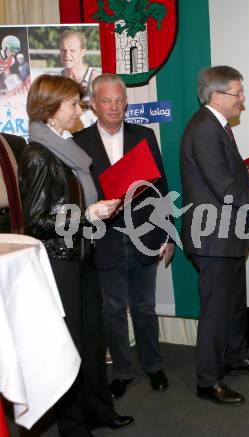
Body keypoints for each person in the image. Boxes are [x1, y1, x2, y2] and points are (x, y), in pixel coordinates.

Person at [18, 74, 134, 436]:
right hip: (60, 262)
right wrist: (87, 214)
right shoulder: (38, 154)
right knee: (71, 348)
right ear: (51, 110)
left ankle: (100, 410)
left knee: (93, 339)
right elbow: (37, 220)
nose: (79, 109)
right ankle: (73, 427)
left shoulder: (64, 145)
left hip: (82, 254)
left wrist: (96, 210)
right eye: (73, 104)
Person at [180, 65, 249, 405]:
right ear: (216, 95)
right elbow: (226, 190)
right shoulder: (204, 129)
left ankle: (234, 356)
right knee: (216, 309)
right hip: (213, 236)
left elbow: (220, 177)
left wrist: (244, 170)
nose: (242, 99)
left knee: (233, 304)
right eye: (237, 92)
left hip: (226, 234)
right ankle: (207, 380)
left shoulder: (215, 127)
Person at [74, 73, 174, 400]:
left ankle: (153, 365)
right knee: (112, 310)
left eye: (119, 99)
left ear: (126, 102)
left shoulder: (144, 136)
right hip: (104, 239)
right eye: (107, 100)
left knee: (145, 306)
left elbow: (161, 189)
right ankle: (121, 370)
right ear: (93, 104)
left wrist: (169, 233)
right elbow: (77, 196)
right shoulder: (79, 143)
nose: (114, 106)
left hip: (145, 234)